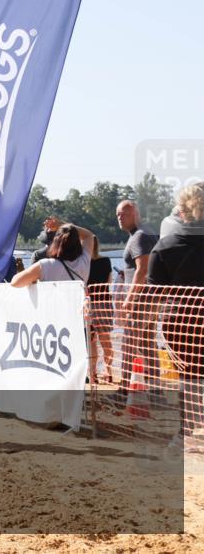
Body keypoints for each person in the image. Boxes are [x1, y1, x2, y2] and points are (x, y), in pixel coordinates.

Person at [147, 183, 204, 451]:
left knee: (189, 378)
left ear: (180, 213)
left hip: (182, 324)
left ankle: (186, 433)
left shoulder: (164, 247)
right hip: (184, 323)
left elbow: (154, 296)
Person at [117, 200, 160, 390]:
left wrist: (129, 298)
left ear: (135, 214)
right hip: (151, 297)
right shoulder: (144, 233)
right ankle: (155, 390)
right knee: (147, 343)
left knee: (129, 342)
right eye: (118, 214)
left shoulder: (140, 236)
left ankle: (123, 389)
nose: (120, 217)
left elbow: (142, 270)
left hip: (142, 299)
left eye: (124, 214)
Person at [10, 223, 95, 286]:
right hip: (78, 309)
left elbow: (15, 283)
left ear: (55, 243)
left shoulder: (45, 265)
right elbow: (89, 235)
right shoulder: (84, 261)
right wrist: (61, 224)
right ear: (77, 243)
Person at [87, 236, 115, 384]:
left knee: (91, 341)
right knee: (106, 340)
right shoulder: (106, 261)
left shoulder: (82, 263)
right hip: (104, 303)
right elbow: (109, 281)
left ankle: (93, 374)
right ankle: (108, 371)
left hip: (88, 303)